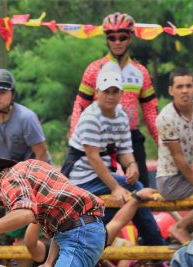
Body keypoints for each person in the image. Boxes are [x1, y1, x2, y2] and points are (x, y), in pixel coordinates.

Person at [66, 64, 165, 246]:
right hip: (83, 177)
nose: (110, 96)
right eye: (106, 91)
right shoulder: (90, 117)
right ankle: (155, 244)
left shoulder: (121, 115)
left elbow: (125, 150)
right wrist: (115, 187)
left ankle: (100, 238)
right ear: (97, 93)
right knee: (137, 192)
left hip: (102, 175)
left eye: (114, 91)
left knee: (132, 187)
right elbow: (93, 157)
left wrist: (132, 165)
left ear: (121, 93)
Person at [70, 12, 159, 188]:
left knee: (142, 187)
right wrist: (75, 137)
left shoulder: (140, 71)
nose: (117, 42)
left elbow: (150, 111)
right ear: (106, 39)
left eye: (122, 37)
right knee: (94, 187)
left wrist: (162, 144)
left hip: (129, 136)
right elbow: (80, 105)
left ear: (130, 38)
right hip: (99, 136)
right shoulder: (94, 69)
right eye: (112, 38)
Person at [156, 68, 193, 203]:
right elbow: (178, 157)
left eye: (188, 86)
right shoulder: (166, 117)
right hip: (169, 180)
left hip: (188, 176)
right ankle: (182, 225)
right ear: (171, 91)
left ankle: (184, 224)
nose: (184, 91)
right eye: (179, 87)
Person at [0, 69, 50, 162]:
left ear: (13, 94)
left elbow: (41, 153)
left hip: (35, 169)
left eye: (3, 92)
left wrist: (31, 176)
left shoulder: (26, 117)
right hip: (7, 171)